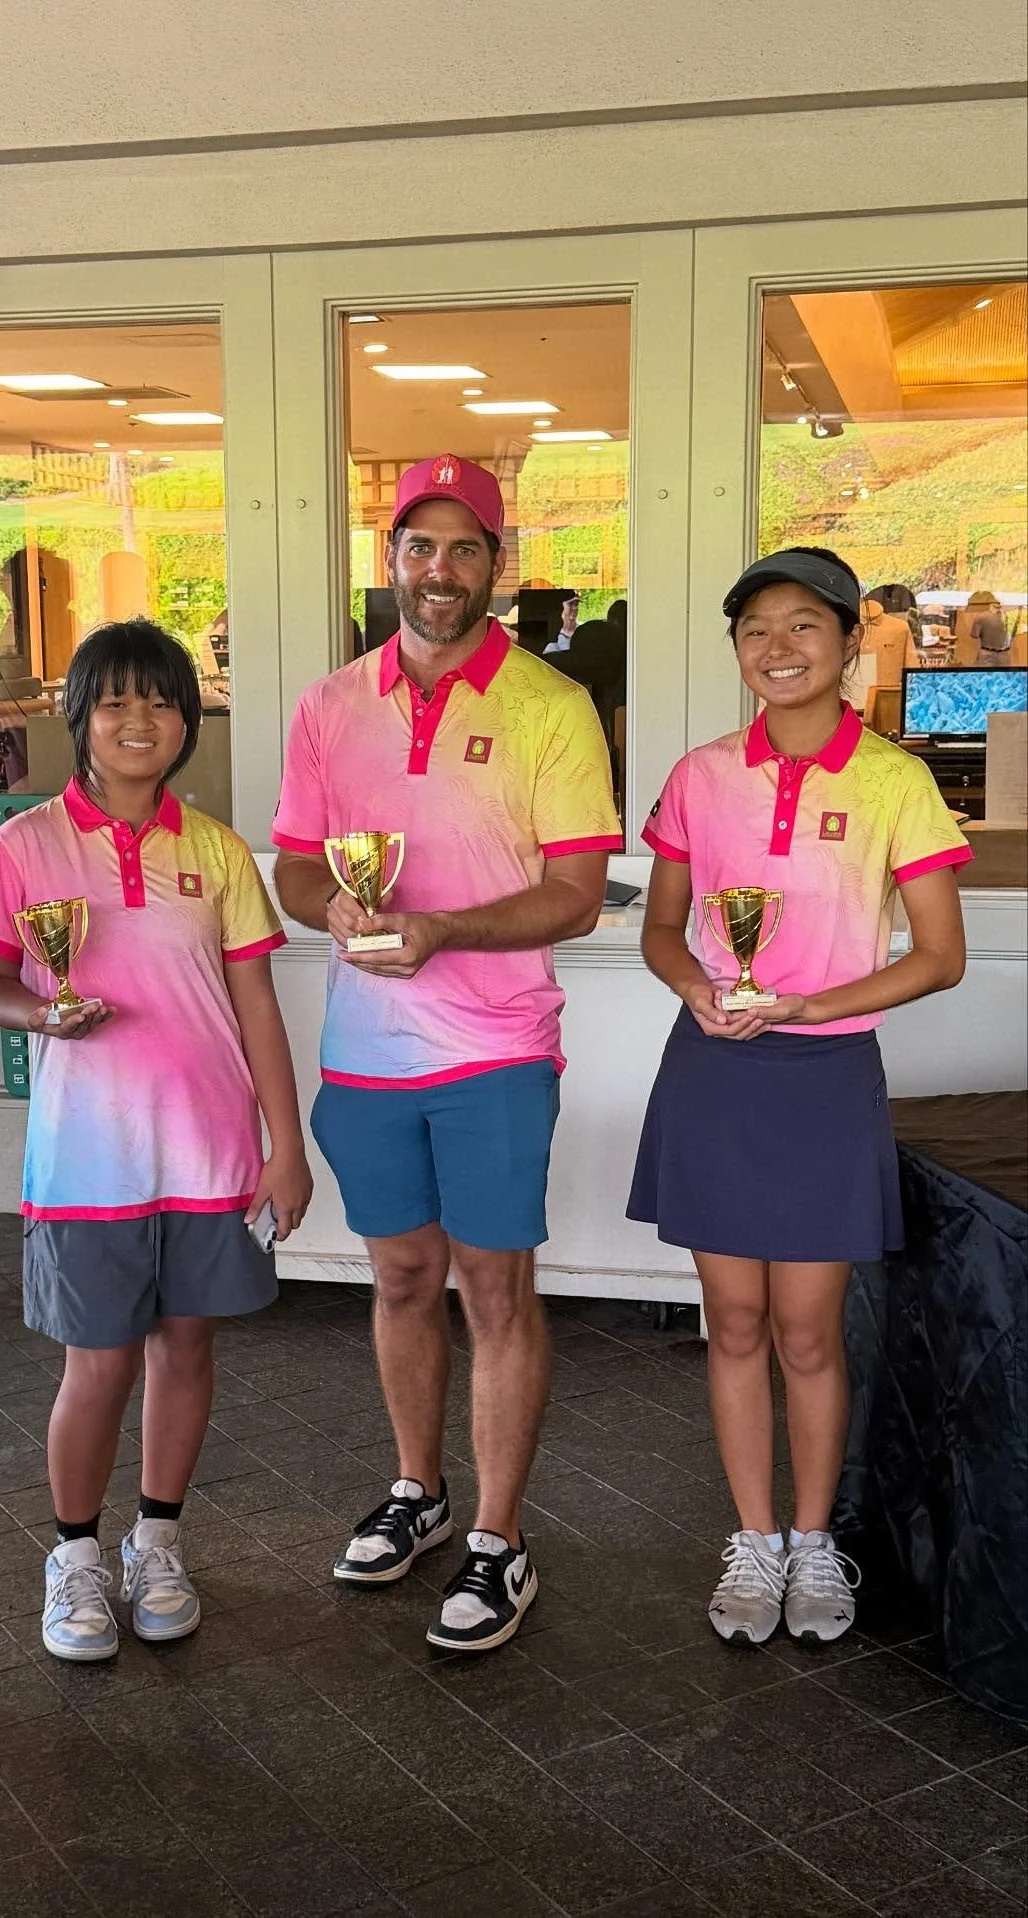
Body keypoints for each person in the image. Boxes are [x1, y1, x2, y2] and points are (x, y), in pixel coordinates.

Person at [273, 455, 620, 1653]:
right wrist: (331, 905)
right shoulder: (329, 705)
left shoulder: (552, 707)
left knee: (495, 1290)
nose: (440, 571)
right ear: (390, 561)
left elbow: (579, 893)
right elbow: (295, 864)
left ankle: (499, 1539)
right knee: (402, 1279)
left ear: (497, 566)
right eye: (419, 547)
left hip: (496, 1050)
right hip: (367, 1054)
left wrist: (443, 930)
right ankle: (418, 1492)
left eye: (464, 548)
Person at [628, 545, 970, 1648]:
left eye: (802, 627)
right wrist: (698, 986)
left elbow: (941, 955)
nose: (777, 650)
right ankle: (756, 1538)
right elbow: (661, 924)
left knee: (809, 1331)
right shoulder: (699, 774)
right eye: (755, 631)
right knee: (731, 1321)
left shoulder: (894, 781)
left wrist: (817, 1008)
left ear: (847, 640)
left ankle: (815, 1543)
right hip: (718, 1067)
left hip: (824, 1074)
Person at [0, 618, 311, 1661]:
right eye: (114, 700)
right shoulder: (22, 845)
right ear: (79, 717)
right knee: (99, 1362)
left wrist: (284, 1145)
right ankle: (74, 1556)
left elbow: (256, 1006)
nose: (138, 720)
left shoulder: (213, 851)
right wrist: (35, 1012)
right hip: (88, 1157)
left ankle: (158, 1539)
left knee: (188, 1347)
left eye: (159, 701)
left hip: (207, 1150)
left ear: (186, 721)